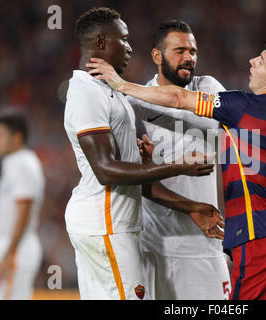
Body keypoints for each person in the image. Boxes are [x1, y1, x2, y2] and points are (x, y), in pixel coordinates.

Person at [87, 35, 266, 300]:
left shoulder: (245, 106)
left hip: (264, 240)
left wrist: (120, 83)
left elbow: (177, 97)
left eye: (263, 60)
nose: (252, 61)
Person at [65, 7, 224, 300]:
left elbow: (180, 102)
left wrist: (147, 160)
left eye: (193, 50)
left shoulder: (118, 94)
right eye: (123, 40)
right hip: (120, 229)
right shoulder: (107, 94)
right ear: (101, 42)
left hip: (178, 240)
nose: (128, 47)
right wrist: (179, 167)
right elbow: (106, 169)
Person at [126, 20, 231, 300]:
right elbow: (136, 182)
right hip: (154, 245)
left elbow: (177, 98)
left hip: (204, 246)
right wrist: (193, 207)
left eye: (193, 51)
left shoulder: (208, 87)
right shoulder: (135, 105)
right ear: (157, 56)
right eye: (180, 50)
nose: (189, 58)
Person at [0, 111, 45, 299]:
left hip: (16, 248)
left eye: (0, 135)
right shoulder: (16, 163)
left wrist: (9, 252)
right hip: (12, 246)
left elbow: (23, 210)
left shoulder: (22, 163)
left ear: (17, 137)